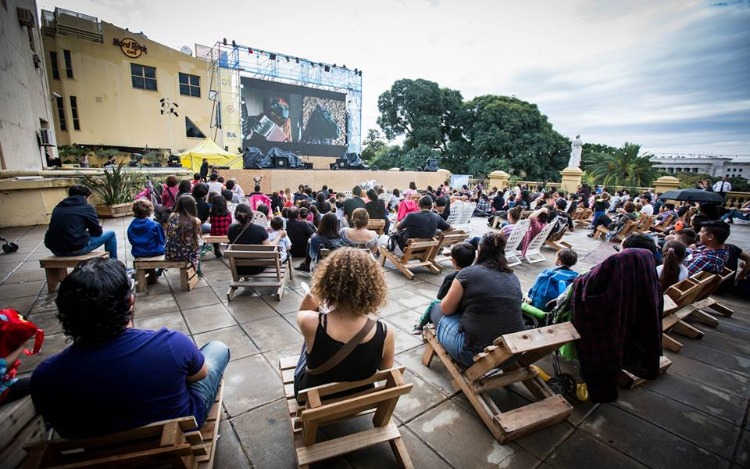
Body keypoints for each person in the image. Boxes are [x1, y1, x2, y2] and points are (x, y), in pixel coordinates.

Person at [30, 258, 229, 438]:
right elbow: (201, 375)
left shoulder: (46, 376)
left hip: (94, 448)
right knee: (216, 348)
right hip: (175, 432)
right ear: (130, 302)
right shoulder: (171, 344)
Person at [293, 248, 394, 397]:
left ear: (327, 282)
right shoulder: (386, 332)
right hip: (359, 396)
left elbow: (303, 311)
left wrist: (318, 289)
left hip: (313, 399)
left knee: (310, 340)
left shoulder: (309, 322)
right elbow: (385, 368)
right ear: (373, 289)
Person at [428, 232, 525, 367]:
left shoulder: (468, 273)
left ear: (479, 251)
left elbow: (446, 309)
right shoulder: (512, 277)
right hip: (510, 354)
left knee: (436, 308)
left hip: (474, 354)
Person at [412, 242, 476, 334]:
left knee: (434, 304)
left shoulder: (451, 278)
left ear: (452, 260)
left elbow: (440, 296)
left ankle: (420, 325)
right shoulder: (475, 276)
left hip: (451, 308)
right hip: (465, 310)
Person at [44, 185, 118, 259]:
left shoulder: (58, 208)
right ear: (85, 197)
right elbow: (97, 232)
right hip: (76, 248)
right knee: (111, 234)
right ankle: (115, 265)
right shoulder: (86, 207)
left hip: (55, 249)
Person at [228, 204, 286, 276]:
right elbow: (270, 248)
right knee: (287, 254)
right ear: (252, 215)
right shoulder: (259, 229)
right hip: (257, 268)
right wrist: (279, 235)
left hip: (239, 268)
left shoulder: (231, 229)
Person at [165, 196, 202, 273]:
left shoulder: (172, 216)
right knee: (200, 242)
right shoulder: (196, 220)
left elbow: (169, 234)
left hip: (171, 254)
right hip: (187, 255)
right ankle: (197, 269)